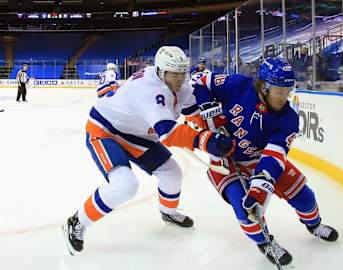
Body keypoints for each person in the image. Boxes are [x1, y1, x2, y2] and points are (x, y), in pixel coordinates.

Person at [62, 46, 235, 256]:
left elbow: (192, 112)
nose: (180, 79)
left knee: (172, 174)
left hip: (138, 135)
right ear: (161, 72)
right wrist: (206, 141)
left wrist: (212, 131)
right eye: (175, 74)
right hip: (106, 130)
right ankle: (77, 222)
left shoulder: (178, 84)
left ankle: (169, 213)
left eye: (183, 73)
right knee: (125, 185)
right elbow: (169, 133)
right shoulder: (149, 90)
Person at [188, 57, 339, 265]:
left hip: (259, 159)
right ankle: (265, 242)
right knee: (244, 210)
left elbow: (274, 156)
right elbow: (198, 79)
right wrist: (207, 106)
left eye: (287, 92)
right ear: (264, 87)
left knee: (305, 197)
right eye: (279, 91)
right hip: (225, 162)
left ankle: (314, 224)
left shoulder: (289, 119)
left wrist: (259, 191)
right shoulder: (239, 85)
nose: (283, 98)